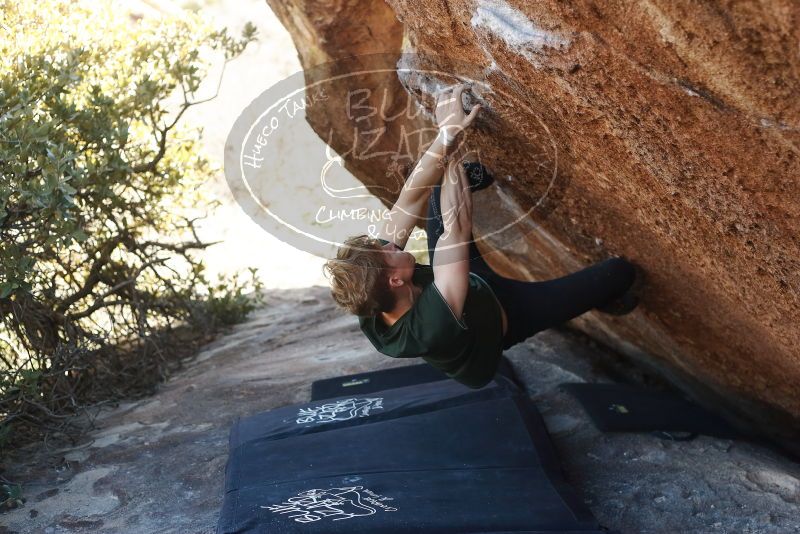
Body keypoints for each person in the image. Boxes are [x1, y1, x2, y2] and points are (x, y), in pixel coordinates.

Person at [323, 83, 639, 389]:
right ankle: (610, 301)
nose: (389, 244)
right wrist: (451, 136)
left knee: (436, 189)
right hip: (508, 312)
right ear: (394, 281)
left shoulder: (370, 293)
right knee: (618, 273)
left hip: (460, 276)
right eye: (387, 252)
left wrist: (444, 138)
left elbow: (409, 200)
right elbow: (455, 226)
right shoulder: (430, 327)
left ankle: (467, 179)